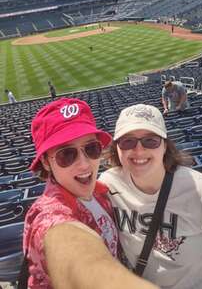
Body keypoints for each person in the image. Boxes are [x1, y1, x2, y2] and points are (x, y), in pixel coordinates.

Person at [23, 98, 158, 289]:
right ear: (46, 162)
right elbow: (63, 238)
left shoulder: (102, 191)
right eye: (66, 154)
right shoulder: (48, 215)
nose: (85, 164)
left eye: (91, 148)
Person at [99, 103, 202, 289]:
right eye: (128, 142)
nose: (139, 150)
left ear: (165, 145)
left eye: (150, 140)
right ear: (117, 148)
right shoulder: (108, 184)